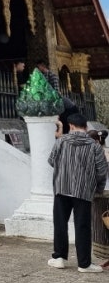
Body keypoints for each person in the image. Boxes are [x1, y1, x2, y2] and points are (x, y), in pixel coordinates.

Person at [48, 113, 107, 273]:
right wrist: (98, 189)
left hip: (62, 188)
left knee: (60, 223)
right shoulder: (94, 146)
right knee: (83, 226)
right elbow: (102, 171)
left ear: (71, 126)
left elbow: (51, 160)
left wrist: (64, 169)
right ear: (86, 127)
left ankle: (59, 258)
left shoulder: (61, 142)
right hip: (83, 191)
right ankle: (84, 264)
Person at [88, 130, 109, 269]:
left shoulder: (98, 154)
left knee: (103, 228)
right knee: (104, 227)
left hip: (101, 195)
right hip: (100, 196)